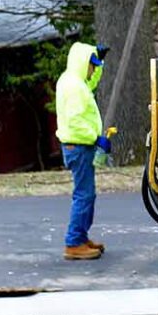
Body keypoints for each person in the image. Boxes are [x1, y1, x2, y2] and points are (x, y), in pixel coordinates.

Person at [54, 42, 114, 261]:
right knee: (84, 195)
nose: (92, 69)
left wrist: (101, 61)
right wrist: (96, 138)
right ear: (82, 63)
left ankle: (80, 237)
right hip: (78, 146)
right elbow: (76, 121)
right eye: (92, 65)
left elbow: (92, 81)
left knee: (87, 194)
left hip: (78, 146)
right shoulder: (74, 87)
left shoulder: (74, 81)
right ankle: (74, 242)